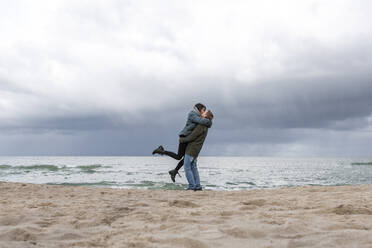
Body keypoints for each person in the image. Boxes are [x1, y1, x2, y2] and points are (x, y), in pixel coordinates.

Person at [152, 103, 212, 182]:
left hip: (188, 138)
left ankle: (174, 170)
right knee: (179, 157)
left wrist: (208, 119)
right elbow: (201, 121)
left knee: (185, 158)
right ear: (199, 109)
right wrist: (209, 120)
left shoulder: (198, 116)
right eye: (203, 110)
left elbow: (202, 121)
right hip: (184, 137)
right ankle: (162, 151)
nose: (203, 112)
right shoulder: (192, 114)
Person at [179, 110, 214, 191]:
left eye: (204, 113)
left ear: (206, 116)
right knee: (194, 167)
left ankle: (192, 186)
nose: (202, 113)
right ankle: (198, 186)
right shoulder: (206, 126)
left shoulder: (201, 125)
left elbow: (192, 136)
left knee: (187, 168)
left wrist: (182, 140)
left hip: (191, 149)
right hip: (196, 150)